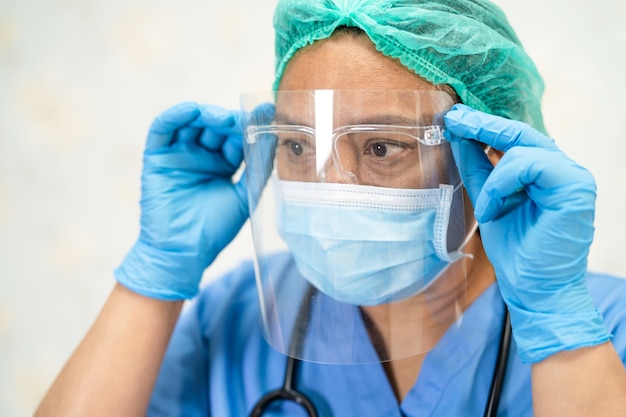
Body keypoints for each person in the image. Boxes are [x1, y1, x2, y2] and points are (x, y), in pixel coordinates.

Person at [34, 0, 626, 416]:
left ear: (489, 151)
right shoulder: (236, 316)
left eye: (380, 146)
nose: (331, 184)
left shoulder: (601, 326)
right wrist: (155, 273)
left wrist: (558, 325)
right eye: (297, 144)